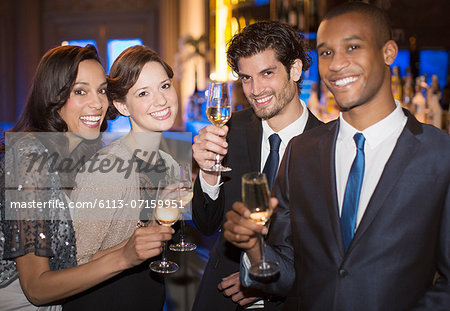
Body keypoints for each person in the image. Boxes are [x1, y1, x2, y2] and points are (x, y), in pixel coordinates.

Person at [224, 2, 450, 311]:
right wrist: (255, 249)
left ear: (388, 52)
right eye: (327, 52)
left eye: (353, 47)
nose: (337, 64)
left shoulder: (439, 155)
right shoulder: (300, 153)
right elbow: (291, 275)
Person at [0, 44, 173, 311]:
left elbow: (70, 258)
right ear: (53, 96)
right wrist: (123, 258)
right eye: (80, 91)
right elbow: (36, 288)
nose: (97, 103)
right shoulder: (27, 158)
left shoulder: (82, 152)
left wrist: (134, 243)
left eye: (102, 90)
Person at [191, 21, 322, 311]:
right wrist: (207, 173)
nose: (255, 89)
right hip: (221, 297)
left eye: (267, 73)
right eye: (246, 78)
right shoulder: (230, 130)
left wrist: (259, 280)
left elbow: (328, 256)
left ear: (296, 70)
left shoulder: (328, 146)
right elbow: (206, 224)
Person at [63, 45, 181, 311]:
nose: (161, 100)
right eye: (143, 93)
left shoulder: (169, 165)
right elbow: (71, 261)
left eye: (164, 86)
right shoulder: (109, 168)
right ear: (121, 105)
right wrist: (128, 250)